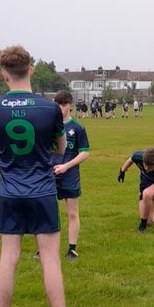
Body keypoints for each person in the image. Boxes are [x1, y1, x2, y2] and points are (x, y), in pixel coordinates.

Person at [0, 46, 81, 307]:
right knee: (50, 259)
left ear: (4, 74)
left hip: (10, 191)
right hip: (41, 190)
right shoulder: (49, 108)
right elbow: (62, 150)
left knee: (8, 258)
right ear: (31, 69)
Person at [52, 89, 91, 260]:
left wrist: (66, 166)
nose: (60, 108)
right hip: (49, 175)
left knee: (72, 213)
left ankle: (72, 248)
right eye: (57, 104)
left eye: (63, 104)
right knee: (48, 212)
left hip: (70, 175)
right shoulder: (48, 126)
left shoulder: (77, 128)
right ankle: (45, 247)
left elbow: (85, 153)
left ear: (71, 106)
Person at [118, 147, 154, 232]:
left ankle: (142, 225)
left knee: (147, 193)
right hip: (146, 183)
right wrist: (122, 171)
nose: (147, 168)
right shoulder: (139, 156)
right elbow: (131, 159)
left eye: (150, 167)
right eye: (145, 165)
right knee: (149, 221)